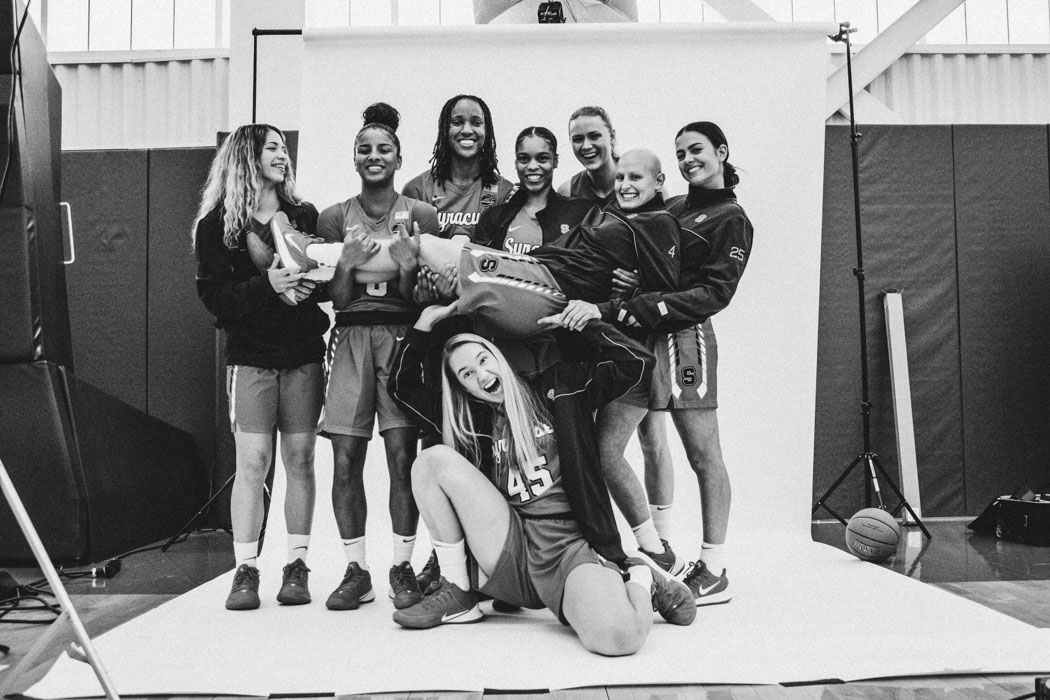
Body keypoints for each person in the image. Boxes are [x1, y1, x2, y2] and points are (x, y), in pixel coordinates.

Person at [387, 302, 696, 654]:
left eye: (483, 360)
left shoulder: (560, 388)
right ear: (464, 389)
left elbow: (638, 364)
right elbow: (401, 388)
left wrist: (590, 324)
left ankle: (641, 577)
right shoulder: (475, 421)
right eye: (466, 375)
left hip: (569, 548)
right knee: (430, 461)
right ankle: (457, 592)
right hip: (512, 544)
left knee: (619, 639)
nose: (480, 375)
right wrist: (423, 324)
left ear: (498, 357)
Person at [193, 124, 328, 610]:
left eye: (284, 148)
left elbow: (322, 281)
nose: (282, 155)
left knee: (301, 461)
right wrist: (268, 285)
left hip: (303, 355)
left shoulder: (303, 214)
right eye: (272, 147)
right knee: (252, 464)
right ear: (246, 156)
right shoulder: (215, 226)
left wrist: (322, 279)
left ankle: (296, 564)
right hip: (250, 359)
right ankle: (245, 569)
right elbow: (215, 299)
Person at [314, 104, 441, 612]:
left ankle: (402, 565)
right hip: (349, 340)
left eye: (383, 149)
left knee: (401, 458)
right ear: (354, 158)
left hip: (402, 339)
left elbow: (420, 299)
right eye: (364, 149)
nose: (374, 156)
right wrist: (344, 264)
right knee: (345, 458)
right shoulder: (333, 216)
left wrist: (409, 267)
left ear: (397, 156)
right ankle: (355, 568)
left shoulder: (421, 214)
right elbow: (339, 301)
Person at [632, 121, 754, 605]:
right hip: (647, 337)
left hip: (687, 340)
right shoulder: (676, 207)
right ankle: (663, 552)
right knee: (649, 441)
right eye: (680, 153)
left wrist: (657, 306)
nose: (687, 160)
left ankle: (716, 567)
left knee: (703, 453)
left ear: (722, 151)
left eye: (696, 150)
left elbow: (717, 292)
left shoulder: (731, 218)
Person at [402, 94, 514, 243]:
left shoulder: (504, 192)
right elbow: (407, 251)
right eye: (457, 122)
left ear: (487, 131)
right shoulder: (417, 189)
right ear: (444, 129)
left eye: (476, 123)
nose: (467, 130)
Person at [474, 126, 594, 255]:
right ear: (516, 163)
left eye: (542, 158)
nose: (532, 166)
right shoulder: (493, 218)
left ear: (555, 161)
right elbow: (475, 265)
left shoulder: (579, 213)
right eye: (524, 159)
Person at [557, 106, 619, 211]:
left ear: (612, 137)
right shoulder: (567, 192)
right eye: (578, 139)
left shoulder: (640, 181)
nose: (586, 146)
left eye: (594, 136)